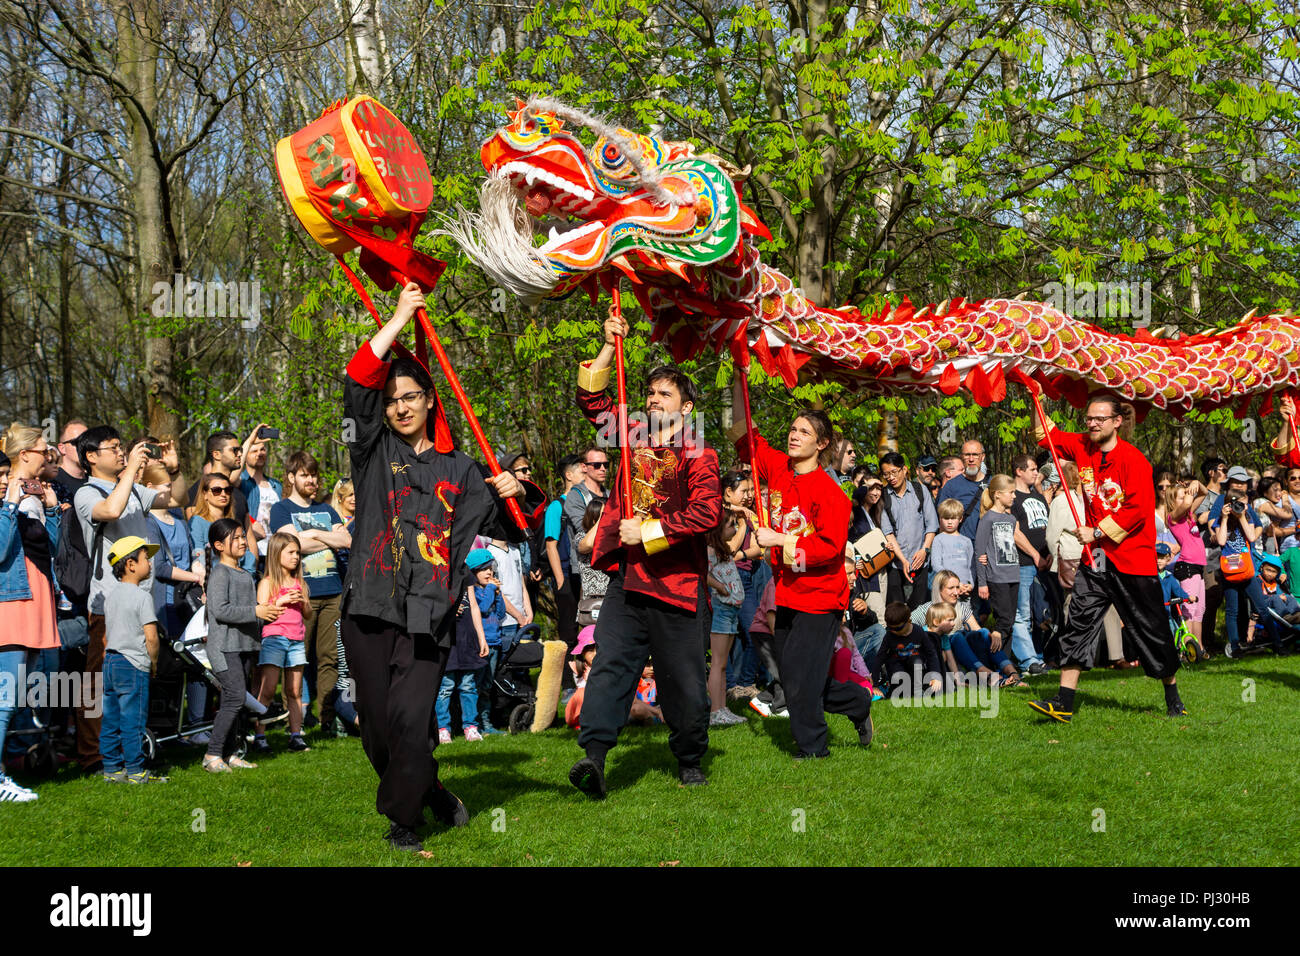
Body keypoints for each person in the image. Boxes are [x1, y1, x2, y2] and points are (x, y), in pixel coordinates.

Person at [341, 282, 528, 851]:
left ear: (429, 400)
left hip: (430, 612)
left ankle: (404, 820)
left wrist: (511, 488)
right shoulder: (371, 450)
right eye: (392, 398)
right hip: (370, 605)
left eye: (410, 396)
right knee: (374, 723)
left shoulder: (463, 467)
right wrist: (400, 317)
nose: (399, 406)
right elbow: (357, 379)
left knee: (409, 716)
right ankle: (433, 793)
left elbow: (515, 527)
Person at [567, 310, 719, 797]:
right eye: (649, 393)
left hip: (678, 587)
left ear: (687, 406)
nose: (653, 400)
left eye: (664, 394)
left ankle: (691, 757)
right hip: (626, 583)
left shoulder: (700, 453)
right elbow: (591, 397)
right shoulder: (629, 438)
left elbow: (707, 514)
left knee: (685, 684)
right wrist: (611, 345)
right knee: (611, 666)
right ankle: (593, 756)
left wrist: (648, 531)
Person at [732, 389, 873, 759]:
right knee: (795, 677)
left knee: (797, 679)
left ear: (822, 443)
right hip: (786, 591)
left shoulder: (832, 494)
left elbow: (828, 549)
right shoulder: (778, 467)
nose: (794, 436)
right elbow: (744, 432)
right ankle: (856, 701)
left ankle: (813, 749)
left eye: (804, 432)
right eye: (793, 429)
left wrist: (779, 538)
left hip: (822, 596)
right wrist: (737, 372)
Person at [1028, 396, 1184, 723]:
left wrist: (1096, 531)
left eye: (1101, 418)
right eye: (1089, 419)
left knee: (1151, 628)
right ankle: (1064, 702)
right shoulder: (1083, 447)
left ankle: (1173, 696)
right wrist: (1035, 396)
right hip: (1095, 558)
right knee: (1078, 622)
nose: (1093, 423)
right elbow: (1045, 435)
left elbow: (1138, 511)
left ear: (1117, 422)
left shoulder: (1134, 460)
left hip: (1133, 560)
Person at [72, 427, 164, 773]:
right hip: (108, 604)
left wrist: (171, 468)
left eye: (121, 447)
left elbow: (177, 498)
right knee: (100, 681)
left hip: (140, 601)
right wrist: (128, 475)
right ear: (92, 457)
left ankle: (127, 753)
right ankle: (93, 756)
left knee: (134, 679)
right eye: (112, 448)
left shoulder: (134, 488)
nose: (121, 453)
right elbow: (110, 510)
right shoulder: (86, 493)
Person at [0, 425, 63, 803]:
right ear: (24, 454)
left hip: (36, 596)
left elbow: (49, 548)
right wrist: (9, 503)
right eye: (43, 449)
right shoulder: (5, 497)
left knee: (13, 694)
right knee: (5, 695)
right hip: (13, 603)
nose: (49, 455)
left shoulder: (33, 493)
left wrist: (52, 509)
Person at [270, 451, 351, 733]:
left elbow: (346, 540)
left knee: (330, 658)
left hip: (333, 591)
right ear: (292, 477)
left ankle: (327, 719)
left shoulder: (328, 510)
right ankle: (297, 720)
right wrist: (326, 538)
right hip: (299, 594)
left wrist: (312, 536)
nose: (312, 480)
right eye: (305, 475)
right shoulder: (281, 510)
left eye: (314, 475)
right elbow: (292, 546)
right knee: (296, 658)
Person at [203, 519, 274, 773]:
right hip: (224, 648)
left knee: (236, 700)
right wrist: (255, 610)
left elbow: (248, 610)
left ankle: (231, 753)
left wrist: (264, 612)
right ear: (219, 546)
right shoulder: (220, 573)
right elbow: (220, 610)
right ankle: (212, 755)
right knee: (233, 698)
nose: (243, 541)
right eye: (236, 538)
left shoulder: (244, 573)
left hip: (243, 646)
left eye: (243, 536)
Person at [99, 536, 166, 784]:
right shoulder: (142, 597)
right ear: (130, 564)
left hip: (111, 662)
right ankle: (137, 771)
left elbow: (106, 635)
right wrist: (155, 662)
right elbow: (151, 637)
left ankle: (112, 769)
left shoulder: (111, 597)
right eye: (145, 558)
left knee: (111, 718)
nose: (149, 563)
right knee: (133, 720)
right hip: (133, 664)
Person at [254, 532, 312, 753]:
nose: (296, 557)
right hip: (275, 639)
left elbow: (307, 614)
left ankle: (295, 735)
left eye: (298, 552)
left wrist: (304, 601)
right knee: (268, 689)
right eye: (291, 552)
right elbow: (262, 611)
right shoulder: (268, 582)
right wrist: (281, 600)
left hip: (296, 640)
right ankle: (260, 735)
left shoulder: (299, 582)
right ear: (277, 554)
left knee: (294, 690)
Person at [1211, 467, 1264, 658]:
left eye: (1243, 482)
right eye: (1236, 482)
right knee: (1234, 608)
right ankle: (1236, 645)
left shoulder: (1245, 502)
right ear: (1229, 484)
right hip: (1229, 563)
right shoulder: (1221, 500)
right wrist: (1221, 525)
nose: (1240, 485)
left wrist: (1253, 534)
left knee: (1256, 605)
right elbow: (1212, 526)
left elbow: (1257, 525)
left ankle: (1259, 641)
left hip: (1246, 562)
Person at [436, 563, 491, 744]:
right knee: (445, 687)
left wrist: (482, 638)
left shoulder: (464, 570)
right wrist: (449, 607)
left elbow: (474, 606)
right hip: (446, 639)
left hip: (467, 639)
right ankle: (443, 729)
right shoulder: (436, 567)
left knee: (468, 686)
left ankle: (471, 727)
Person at [879, 451, 939, 607]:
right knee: (897, 609)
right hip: (896, 563)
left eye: (894, 472)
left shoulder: (920, 491)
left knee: (919, 607)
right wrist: (903, 560)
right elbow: (888, 533)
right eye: (886, 474)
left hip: (920, 560)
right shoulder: (884, 497)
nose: (891, 477)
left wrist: (924, 550)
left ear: (904, 470)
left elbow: (932, 524)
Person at [1009, 454, 1051, 675]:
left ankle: (1041, 655)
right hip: (1024, 563)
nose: (1036, 473)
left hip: (1046, 562)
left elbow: (1048, 526)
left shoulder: (1039, 496)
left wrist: (1051, 552)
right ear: (1019, 471)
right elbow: (1015, 533)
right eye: (1033, 469)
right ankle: (1027, 661)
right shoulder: (1012, 497)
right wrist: (1035, 555)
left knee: (1043, 613)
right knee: (1023, 613)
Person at [705, 510, 746, 726]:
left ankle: (722, 708)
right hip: (722, 610)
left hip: (731, 611)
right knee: (718, 663)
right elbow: (703, 573)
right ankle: (715, 711)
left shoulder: (724, 550)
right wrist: (720, 586)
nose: (735, 529)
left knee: (722, 664)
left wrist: (742, 519)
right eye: (731, 525)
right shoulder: (710, 550)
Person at [974, 475, 1021, 661]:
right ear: (998, 495)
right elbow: (980, 551)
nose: (1014, 496)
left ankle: (1005, 663)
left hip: (1013, 575)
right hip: (997, 577)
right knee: (1004, 620)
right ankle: (994, 655)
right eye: (1011, 492)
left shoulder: (1010, 518)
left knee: (1009, 622)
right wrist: (982, 583)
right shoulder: (987, 519)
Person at [543, 454, 584, 661]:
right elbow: (551, 545)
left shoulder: (589, 502)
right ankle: (568, 682)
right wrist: (560, 581)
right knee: (568, 630)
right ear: (569, 475)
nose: (586, 474)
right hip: (567, 575)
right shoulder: (556, 507)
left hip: (587, 574)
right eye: (581, 470)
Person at [238, 424, 283, 562]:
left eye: (262, 449)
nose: (259, 453)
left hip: (276, 552)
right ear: (245, 456)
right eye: (254, 451)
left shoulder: (276, 485)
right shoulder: (240, 482)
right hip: (252, 551)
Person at [937, 440, 988, 541]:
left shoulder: (993, 484)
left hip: (988, 548)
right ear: (961, 457)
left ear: (982, 457)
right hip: (960, 549)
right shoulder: (951, 486)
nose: (971, 459)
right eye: (967, 455)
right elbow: (943, 521)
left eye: (975, 455)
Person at [930, 498, 975, 593]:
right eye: (946, 518)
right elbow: (936, 565)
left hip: (965, 589)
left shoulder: (967, 541)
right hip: (946, 588)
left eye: (953, 518)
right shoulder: (938, 539)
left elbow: (971, 567)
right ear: (940, 519)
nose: (949, 522)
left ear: (960, 519)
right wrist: (955, 584)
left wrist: (971, 584)